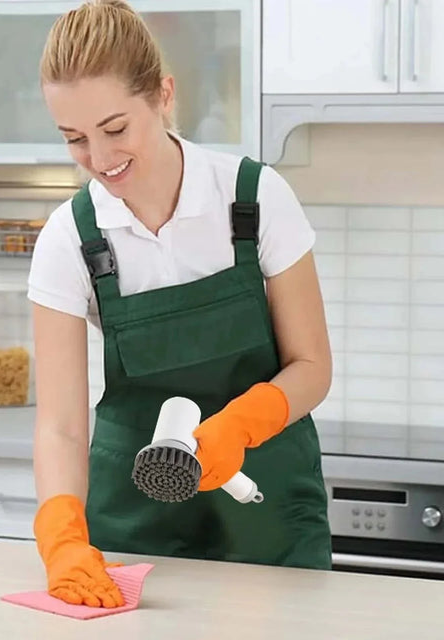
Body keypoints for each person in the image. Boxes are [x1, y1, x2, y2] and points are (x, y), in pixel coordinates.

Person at [27, 0, 333, 609]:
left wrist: (237, 428)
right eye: (75, 139)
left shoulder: (253, 199)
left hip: (265, 505)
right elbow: (61, 426)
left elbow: (312, 365)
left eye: (115, 129)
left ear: (164, 95)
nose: (100, 157)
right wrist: (62, 538)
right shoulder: (70, 238)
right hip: (136, 521)